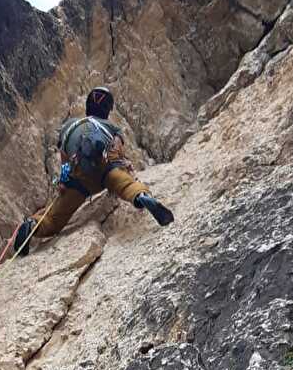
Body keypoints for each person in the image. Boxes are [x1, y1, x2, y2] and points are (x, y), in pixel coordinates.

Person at [14, 87, 174, 256]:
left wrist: (63, 180)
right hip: (106, 165)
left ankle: (31, 226)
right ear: (107, 109)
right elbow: (116, 148)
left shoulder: (70, 125)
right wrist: (123, 165)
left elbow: (64, 155)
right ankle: (142, 197)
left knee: (54, 219)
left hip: (79, 176)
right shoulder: (110, 126)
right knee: (124, 184)